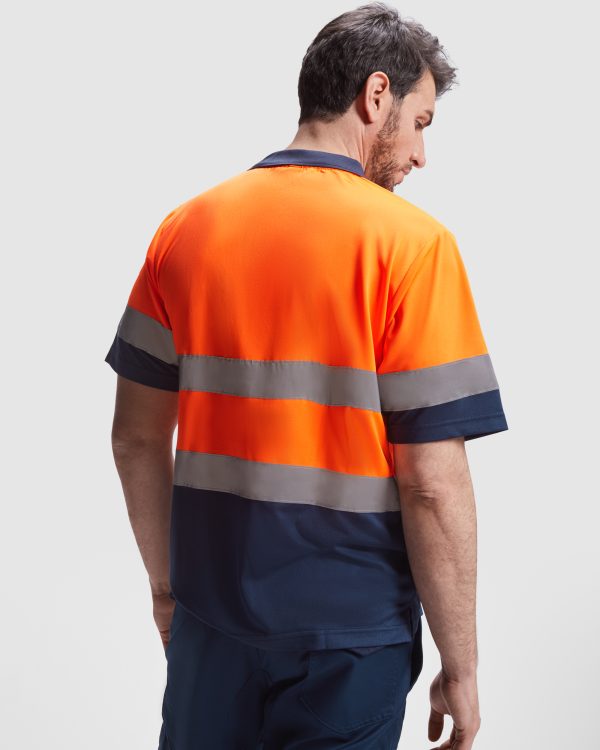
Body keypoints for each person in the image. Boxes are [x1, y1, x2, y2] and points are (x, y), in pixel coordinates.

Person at [104, 3, 508, 748]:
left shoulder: (184, 230)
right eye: (421, 124)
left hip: (210, 629)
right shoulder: (412, 246)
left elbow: (135, 438)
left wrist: (167, 592)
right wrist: (462, 665)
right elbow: (431, 483)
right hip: (349, 643)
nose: (421, 156)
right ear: (376, 95)